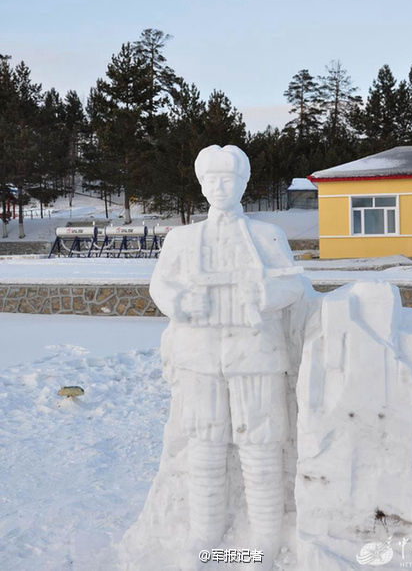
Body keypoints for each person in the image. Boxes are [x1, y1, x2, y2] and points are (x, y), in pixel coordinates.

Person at [150, 144, 304, 570]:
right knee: (205, 444)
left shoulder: (266, 235)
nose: (220, 188)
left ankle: (265, 537)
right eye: (212, 180)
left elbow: (295, 286)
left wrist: (263, 296)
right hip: (200, 356)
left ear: (243, 183)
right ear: (201, 185)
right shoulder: (183, 238)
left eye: (229, 180)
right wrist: (181, 304)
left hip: (256, 354)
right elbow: (160, 286)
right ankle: (207, 534)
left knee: (261, 445)